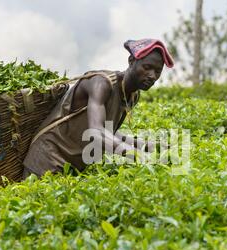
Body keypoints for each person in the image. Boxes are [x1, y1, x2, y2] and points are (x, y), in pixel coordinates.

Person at [22, 38, 174, 179]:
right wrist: (136, 155)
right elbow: (97, 133)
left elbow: (109, 132)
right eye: (147, 67)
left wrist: (149, 146)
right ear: (131, 61)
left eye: (157, 71)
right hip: (45, 162)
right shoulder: (101, 83)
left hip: (72, 169)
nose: (152, 76)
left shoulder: (133, 96)